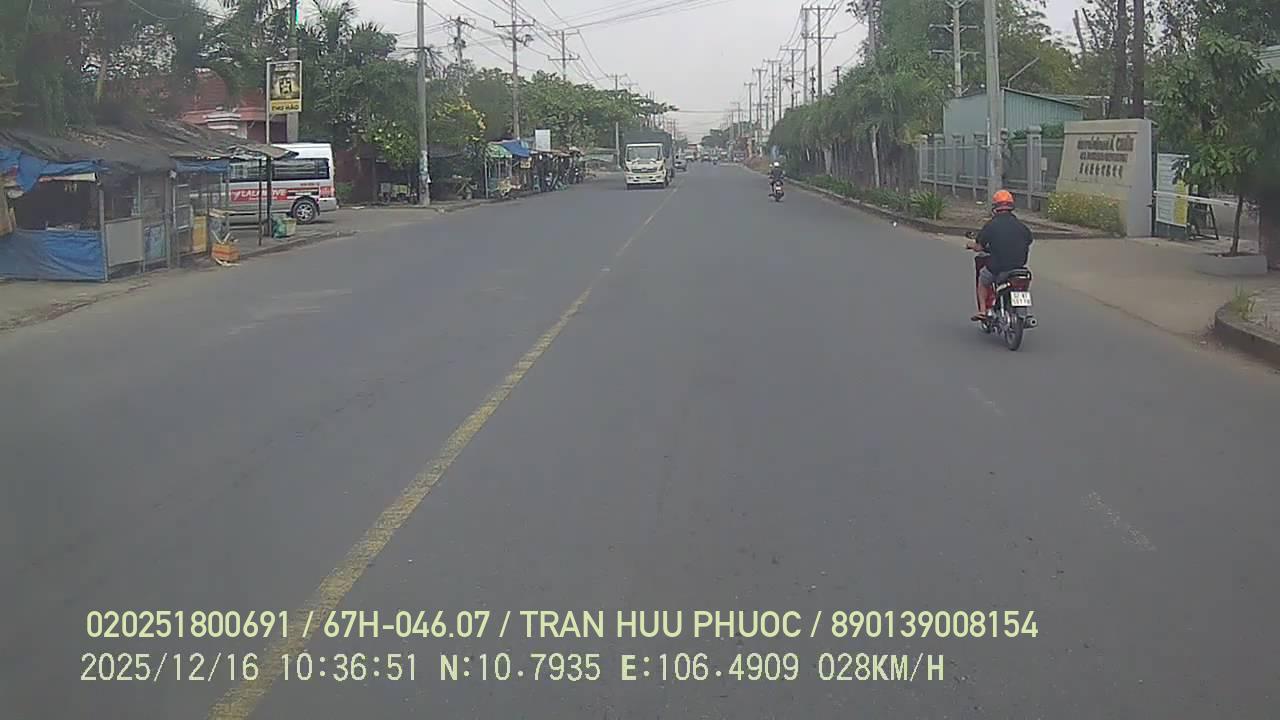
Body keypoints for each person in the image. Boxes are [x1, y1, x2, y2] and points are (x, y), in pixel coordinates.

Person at [966, 189, 1033, 321]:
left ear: (995, 207)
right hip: (1020, 268)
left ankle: (983, 311)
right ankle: (1022, 313)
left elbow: (979, 247)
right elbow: (1029, 240)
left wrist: (970, 245)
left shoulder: (991, 225)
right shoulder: (1022, 226)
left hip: (998, 268)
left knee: (983, 281)